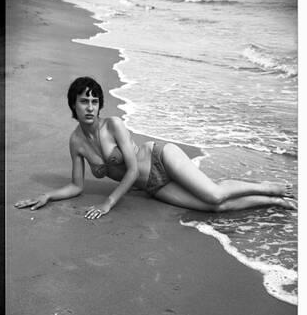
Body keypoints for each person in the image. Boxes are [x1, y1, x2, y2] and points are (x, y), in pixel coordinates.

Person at [15, 76, 296, 220]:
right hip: (153, 187)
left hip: (162, 157)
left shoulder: (113, 125)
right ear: (73, 105)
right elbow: (76, 186)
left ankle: (267, 186)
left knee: (213, 194)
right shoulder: (76, 142)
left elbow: (133, 167)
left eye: (94, 101)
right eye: (83, 101)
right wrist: (48, 195)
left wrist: (108, 202)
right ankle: (272, 202)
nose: (89, 107)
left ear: (100, 104)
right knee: (214, 209)